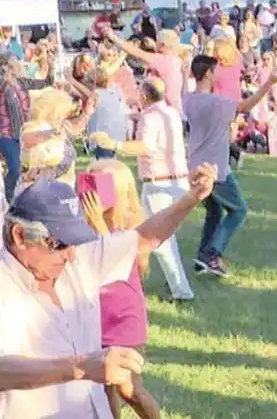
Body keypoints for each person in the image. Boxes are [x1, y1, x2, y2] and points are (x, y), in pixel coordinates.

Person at [0, 165, 215, 417]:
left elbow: (144, 238)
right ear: (20, 236)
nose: (70, 254)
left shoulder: (80, 259)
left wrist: (192, 198)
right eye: (59, 243)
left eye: (74, 241)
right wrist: (80, 367)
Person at [90, 77, 196, 303]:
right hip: (177, 179)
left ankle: (180, 290)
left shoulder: (149, 117)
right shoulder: (171, 113)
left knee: (158, 239)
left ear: (145, 96)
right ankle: (136, 276)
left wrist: (114, 144)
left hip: (158, 182)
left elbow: (145, 147)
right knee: (153, 233)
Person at [184, 55, 277, 278]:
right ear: (208, 73)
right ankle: (211, 254)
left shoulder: (188, 99)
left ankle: (202, 258)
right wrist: (269, 83)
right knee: (238, 210)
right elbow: (246, 106)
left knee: (214, 211)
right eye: (215, 70)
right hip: (215, 170)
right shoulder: (217, 103)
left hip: (195, 165)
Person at [79, 159, 161, 419]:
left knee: (129, 388)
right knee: (103, 388)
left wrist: (100, 227)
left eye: (99, 184)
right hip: (94, 315)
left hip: (123, 317)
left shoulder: (130, 225)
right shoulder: (82, 225)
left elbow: (119, 255)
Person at [0, 53, 54, 201]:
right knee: (15, 168)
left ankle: (24, 197)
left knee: (29, 168)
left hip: (24, 133)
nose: (19, 64)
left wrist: (50, 64)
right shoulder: (2, 85)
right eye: (15, 62)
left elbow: (46, 82)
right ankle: (8, 196)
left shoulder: (22, 82)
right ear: (5, 66)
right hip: (7, 135)